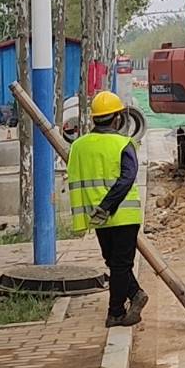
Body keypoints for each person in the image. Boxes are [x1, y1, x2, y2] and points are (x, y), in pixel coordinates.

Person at [66, 90, 147, 327]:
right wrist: (108, 206)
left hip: (97, 217)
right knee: (121, 264)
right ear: (117, 118)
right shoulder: (124, 144)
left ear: (94, 119)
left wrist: (100, 209)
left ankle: (135, 295)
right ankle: (116, 312)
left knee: (114, 263)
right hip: (123, 215)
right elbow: (127, 178)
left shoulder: (79, 146)